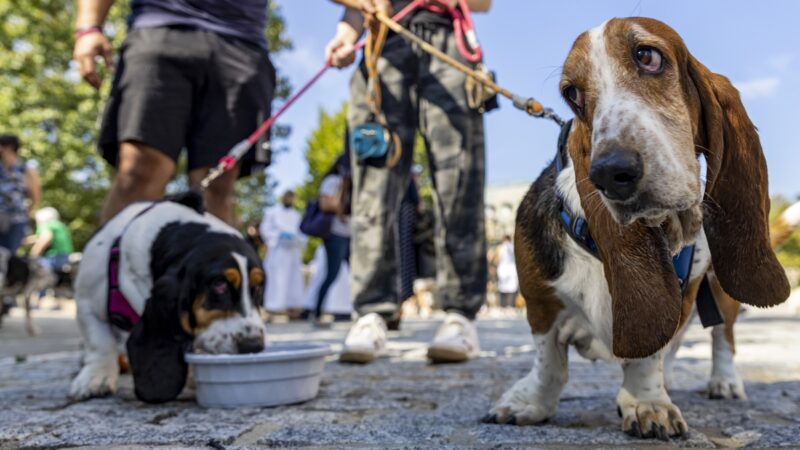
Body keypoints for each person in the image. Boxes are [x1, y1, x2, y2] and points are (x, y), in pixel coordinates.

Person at [327, 0, 492, 364]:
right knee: (373, 182)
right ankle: (371, 313)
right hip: (382, 43)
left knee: (458, 178)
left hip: (446, 41)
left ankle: (459, 316)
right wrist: (346, 32)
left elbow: (485, 3)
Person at [73, 0, 276, 225]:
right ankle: (113, 259)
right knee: (139, 171)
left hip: (243, 46)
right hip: (159, 30)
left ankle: (208, 259)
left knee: (217, 186)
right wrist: (89, 27)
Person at [310, 154, 352, 326]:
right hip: (336, 234)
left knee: (357, 273)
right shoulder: (333, 181)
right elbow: (325, 204)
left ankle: (360, 310)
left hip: (351, 233)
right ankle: (317, 312)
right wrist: (344, 207)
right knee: (332, 274)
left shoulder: (351, 183)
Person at [260, 191, 306, 315]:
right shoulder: (272, 213)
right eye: (288, 197)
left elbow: (302, 233)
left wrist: (297, 239)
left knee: (293, 279)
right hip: (278, 251)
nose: (290, 199)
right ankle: (272, 307)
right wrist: (278, 236)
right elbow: (265, 229)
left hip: (293, 252)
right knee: (276, 279)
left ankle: (292, 307)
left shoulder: (296, 215)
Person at [0, 135, 40, 254]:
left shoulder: (26, 169)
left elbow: (35, 196)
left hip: (16, 219)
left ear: (9, 147)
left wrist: (28, 212)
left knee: (10, 254)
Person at [29, 207, 74, 272]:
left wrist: (32, 256)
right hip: (65, 258)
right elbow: (38, 238)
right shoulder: (60, 225)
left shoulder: (46, 225)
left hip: (52, 258)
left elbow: (46, 238)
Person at [495, 235, 518, 309]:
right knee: (512, 287)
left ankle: (503, 305)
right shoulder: (513, 247)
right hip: (512, 268)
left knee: (502, 287)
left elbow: (496, 259)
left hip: (503, 268)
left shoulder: (500, 247)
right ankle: (511, 305)